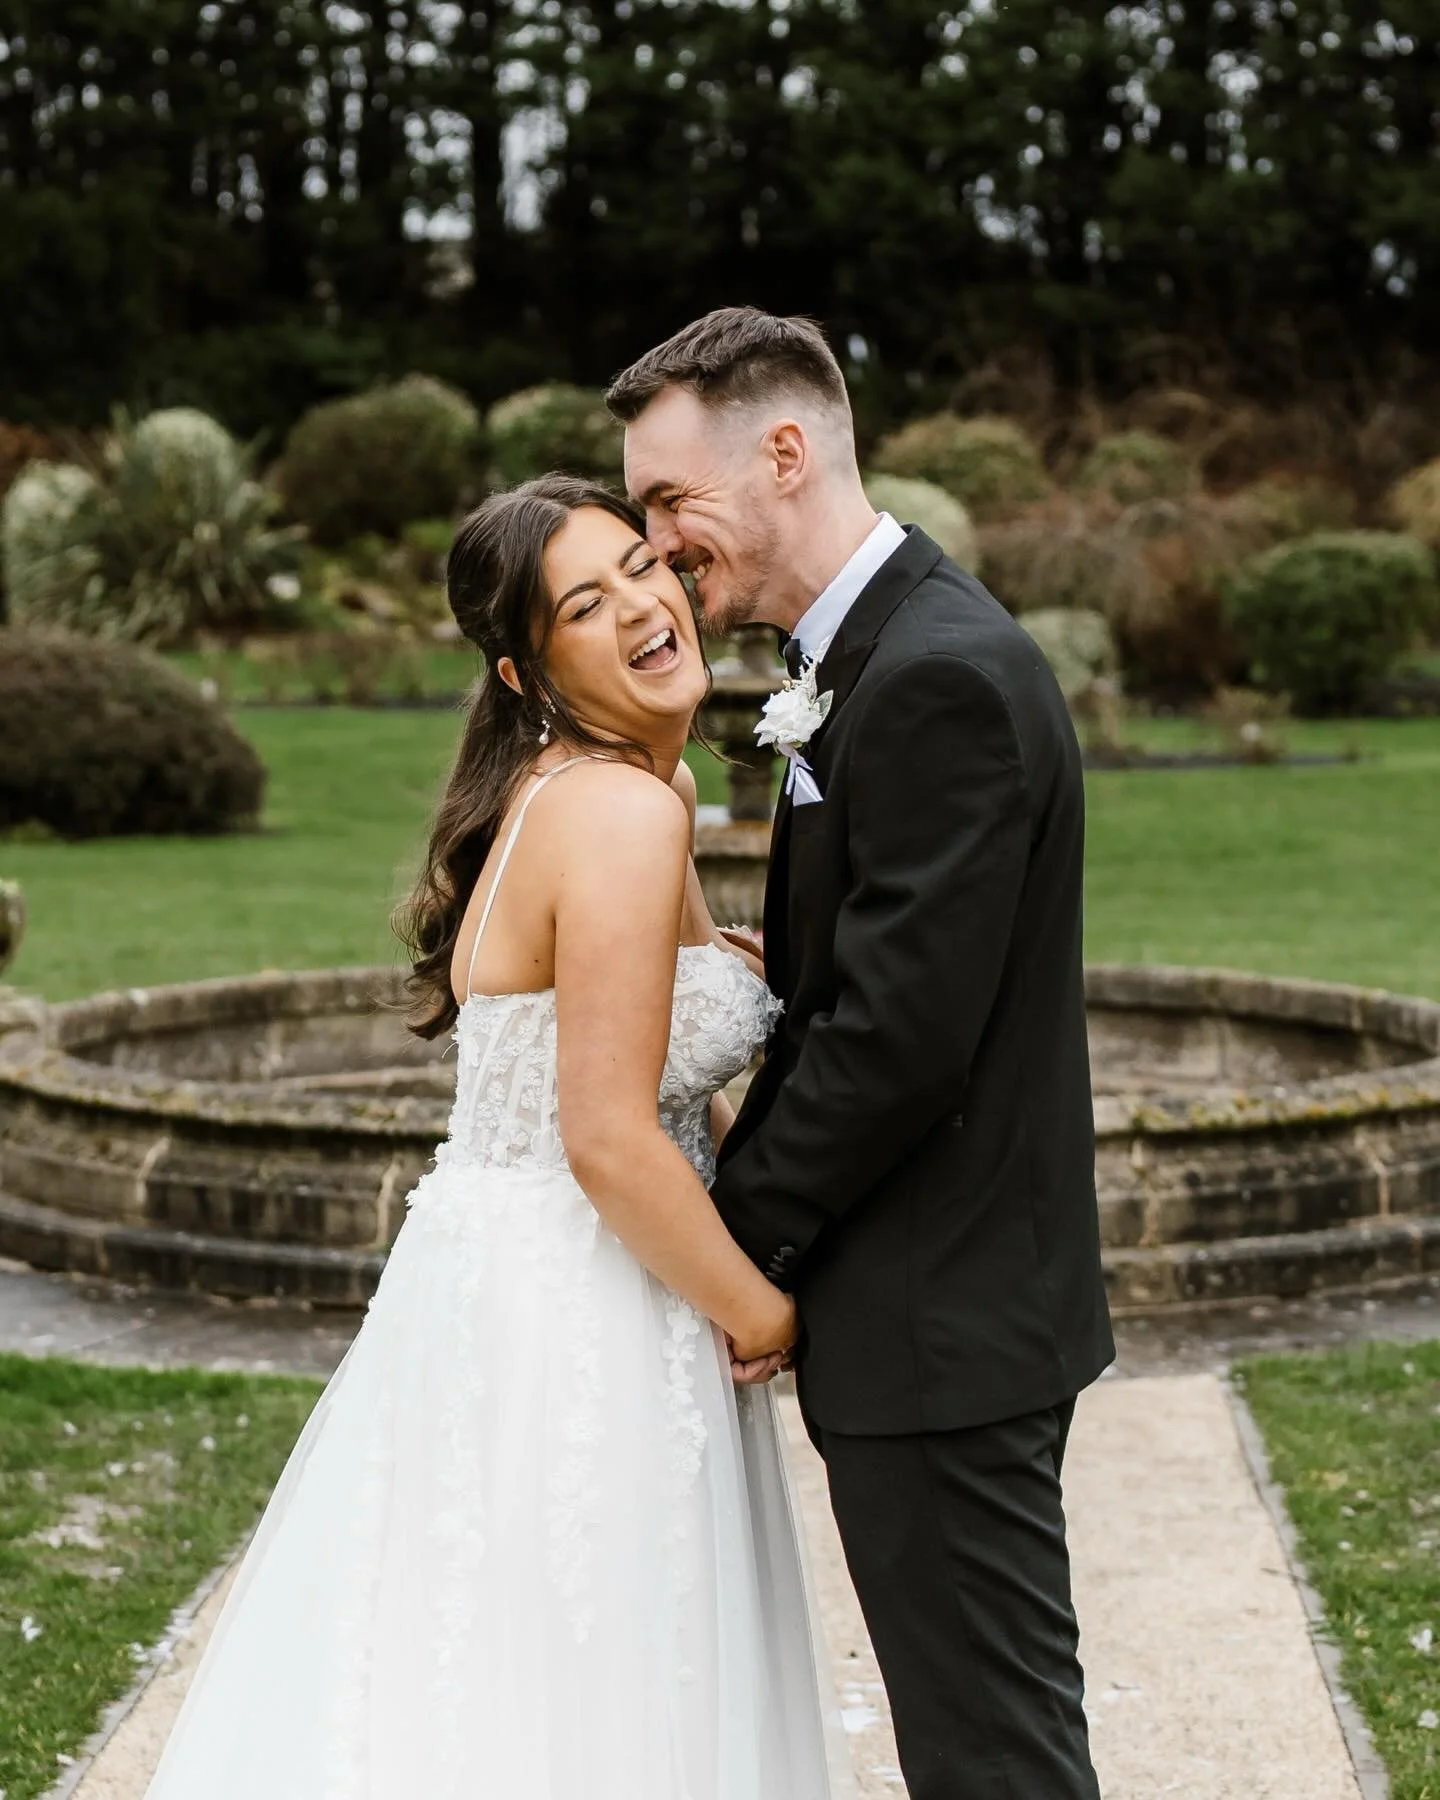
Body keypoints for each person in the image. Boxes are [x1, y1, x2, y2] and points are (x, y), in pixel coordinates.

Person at [142, 476, 851, 1800]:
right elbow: (606, 1136)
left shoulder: (597, 784)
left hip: (491, 1279)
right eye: (590, 601)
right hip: (590, 1300)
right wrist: (763, 1315)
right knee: (594, 1689)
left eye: (642, 565)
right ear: (530, 670)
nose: (644, 602)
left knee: (461, 1664)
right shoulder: (627, 811)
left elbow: (660, 1065)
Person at [609, 308, 1116, 1800]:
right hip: (937, 1305)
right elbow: (884, 974)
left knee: (993, 1754)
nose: (657, 546)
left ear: (785, 451)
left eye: (665, 502)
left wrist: (732, 1249)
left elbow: (901, 1041)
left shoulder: (938, 673)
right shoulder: (882, 653)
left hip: (944, 1315)